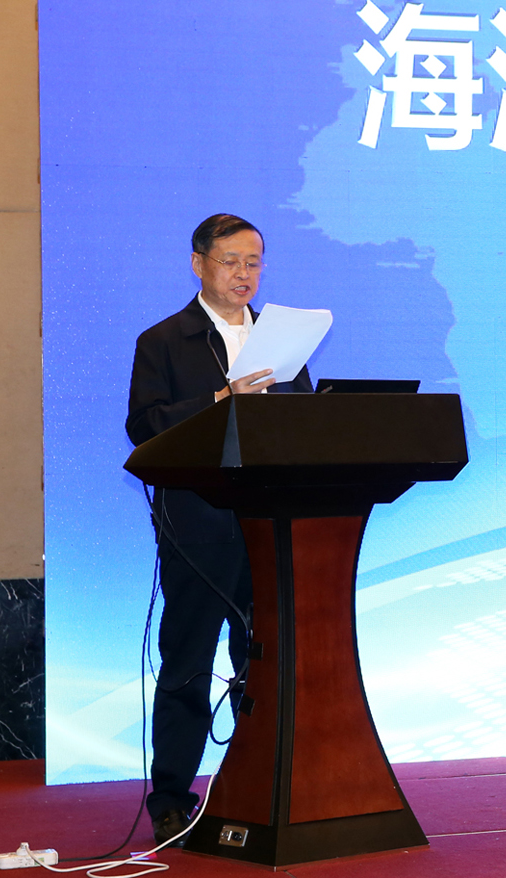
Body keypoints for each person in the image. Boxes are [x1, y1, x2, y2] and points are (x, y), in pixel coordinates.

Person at [125, 214, 313, 845]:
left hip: (270, 523)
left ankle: (259, 783)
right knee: (188, 663)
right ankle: (170, 798)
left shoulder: (282, 340)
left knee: (265, 662)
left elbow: (302, 426)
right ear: (198, 263)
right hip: (198, 527)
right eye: (230, 261)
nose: (243, 274)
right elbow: (144, 425)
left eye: (253, 262)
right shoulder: (165, 341)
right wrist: (219, 400)